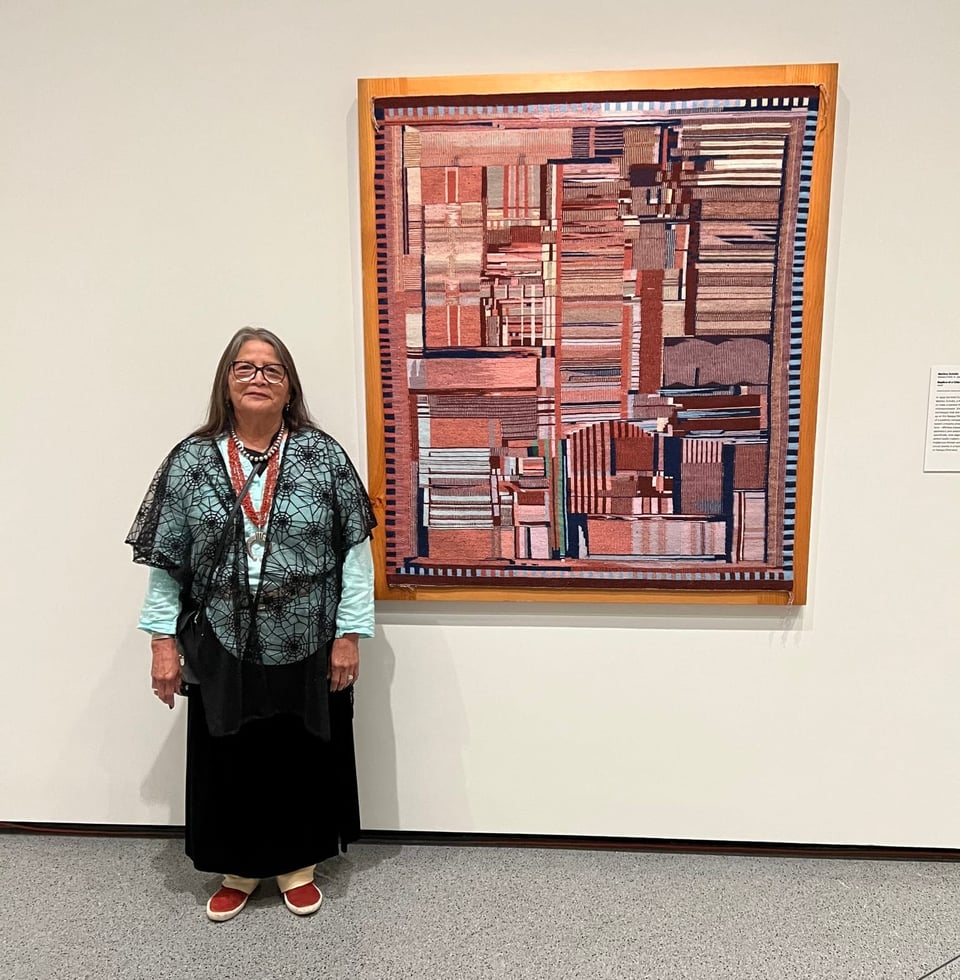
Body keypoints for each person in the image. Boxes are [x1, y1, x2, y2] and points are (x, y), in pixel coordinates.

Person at [126, 326, 376, 922]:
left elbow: (354, 554)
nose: (258, 378)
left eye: (272, 369)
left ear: (289, 387)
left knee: (298, 752)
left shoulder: (324, 456)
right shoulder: (189, 460)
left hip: (309, 634)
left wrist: (349, 634)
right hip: (219, 635)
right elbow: (168, 560)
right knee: (229, 753)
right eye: (245, 368)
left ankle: (297, 865)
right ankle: (237, 867)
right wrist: (162, 642)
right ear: (227, 383)